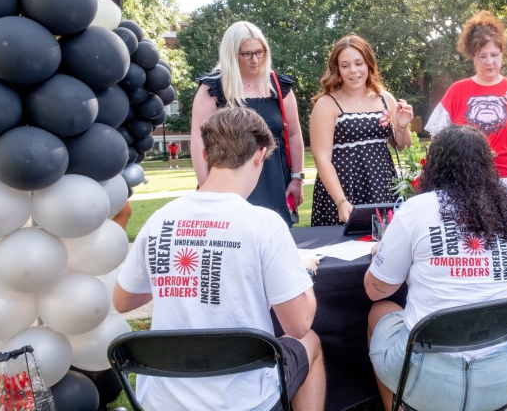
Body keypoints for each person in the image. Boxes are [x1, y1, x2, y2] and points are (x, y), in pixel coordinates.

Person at [113, 107, 325, 411]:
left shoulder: (160, 219)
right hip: (244, 400)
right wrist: (301, 273)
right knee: (311, 342)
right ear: (259, 156)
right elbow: (299, 324)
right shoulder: (263, 224)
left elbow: (123, 300)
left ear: (205, 154)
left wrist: (180, 275)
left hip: (163, 400)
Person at [364, 125, 507, 411]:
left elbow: (375, 290)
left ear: (435, 163)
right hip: (505, 375)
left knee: (379, 311)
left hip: (430, 380)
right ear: (487, 164)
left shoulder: (417, 209)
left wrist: (387, 253)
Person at [190, 21, 305, 227]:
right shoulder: (212, 89)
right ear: (231, 54)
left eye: (260, 52)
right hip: (226, 185)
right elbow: (199, 140)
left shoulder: (280, 87)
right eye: (247, 54)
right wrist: (206, 187)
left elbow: (295, 134)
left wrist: (297, 178)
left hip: (275, 182)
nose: (255, 60)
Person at [425, 11, 507, 208]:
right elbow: (437, 139)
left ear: (502, 54)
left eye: (495, 55)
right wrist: (467, 151)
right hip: (469, 180)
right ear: (472, 57)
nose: (490, 62)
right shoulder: (457, 90)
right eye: (482, 56)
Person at [309, 35, 413, 226]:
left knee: (383, 240)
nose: (353, 70)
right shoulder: (326, 104)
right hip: (343, 189)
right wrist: (340, 201)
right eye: (345, 65)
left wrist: (402, 124)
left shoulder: (385, 98)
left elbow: (402, 146)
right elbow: (322, 158)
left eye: (359, 63)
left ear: (369, 64)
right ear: (337, 68)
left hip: (382, 185)